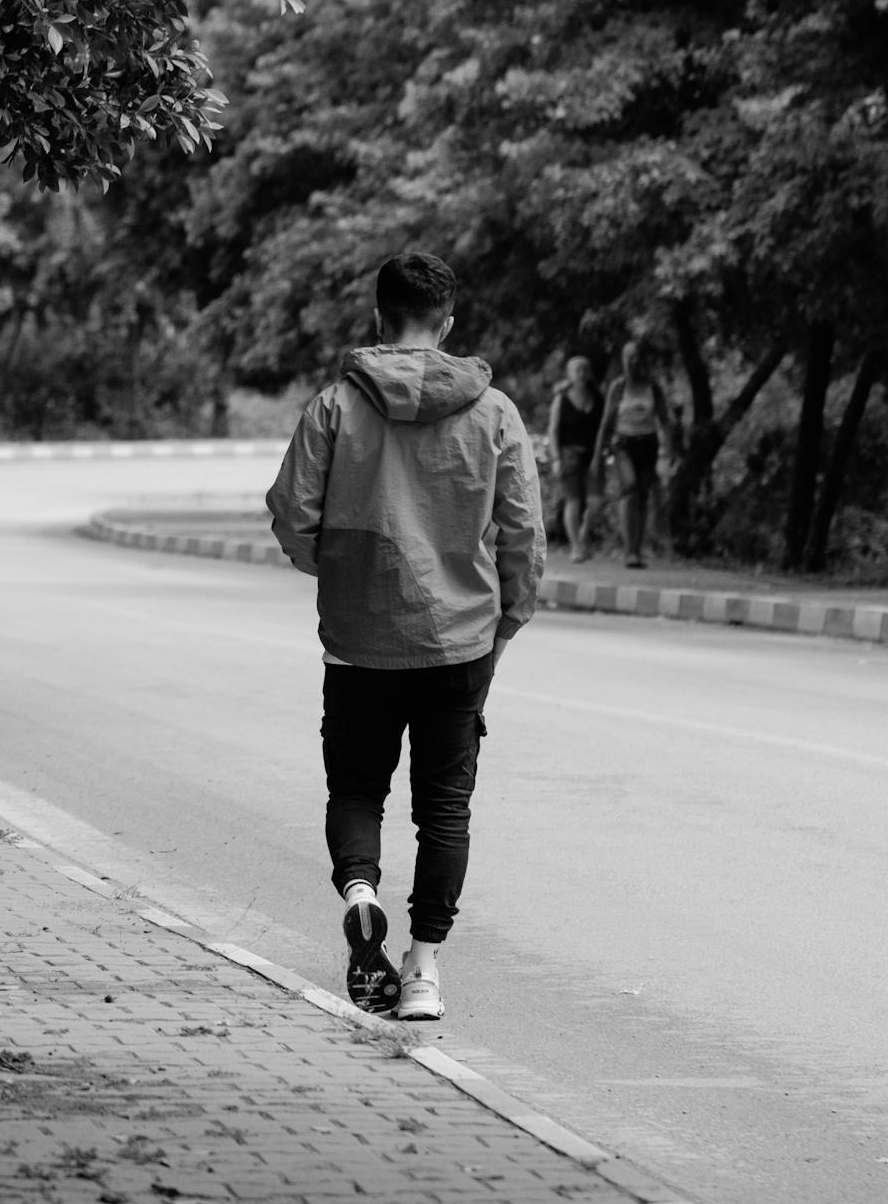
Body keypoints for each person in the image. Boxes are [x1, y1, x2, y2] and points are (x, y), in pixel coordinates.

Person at [266, 252, 546, 1022]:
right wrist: (504, 624)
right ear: (448, 324)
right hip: (461, 642)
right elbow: (524, 536)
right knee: (444, 809)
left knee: (358, 789)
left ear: (376, 317)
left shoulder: (334, 407)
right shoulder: (495, 414)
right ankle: (422, 973)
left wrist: (336, 571)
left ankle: (360, 891)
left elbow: (292, 512)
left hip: (360, 639)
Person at [592, 338, 672, 569]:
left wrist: (669, 451)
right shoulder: (618, 387)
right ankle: (629, 551)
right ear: (623, 361)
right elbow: (606, 423)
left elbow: (665, 420)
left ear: (643, 360)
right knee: (629, 488)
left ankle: (637, 550)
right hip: (623, 443)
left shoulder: (653, 387)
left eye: (636, 357)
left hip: (648, 443)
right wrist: (598, 457)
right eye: (628, 357)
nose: (632, 362)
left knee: (643, 495)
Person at [546, 354, 604, 563]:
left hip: (593, 455)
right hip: (568, 455)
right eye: (576, 370)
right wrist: (556, 459)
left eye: (584, 369)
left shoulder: (597, 398)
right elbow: (553, 431)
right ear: (569, 374)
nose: (581, 374)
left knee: (596, 502)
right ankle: (577, 547)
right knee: (574, 502)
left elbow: (603, 428)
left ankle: (583, 536)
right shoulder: (561, 399)